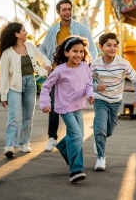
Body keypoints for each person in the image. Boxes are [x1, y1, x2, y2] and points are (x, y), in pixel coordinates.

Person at [39, 0, 97, 152]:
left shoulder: (81, 28)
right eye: (64, 10)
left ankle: (69, 141)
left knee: (75, 106)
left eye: (69, 9)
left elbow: (92, 49)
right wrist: (46, 63)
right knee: (54, 105)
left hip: (75, 72)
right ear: (58, 12)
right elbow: (42, 49)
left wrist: (87, 66)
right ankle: (52, 137)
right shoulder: (52, 30)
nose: (67, 12)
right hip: (57, 71)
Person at [39, 35, 94, 183]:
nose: (79, 55)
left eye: (81, 51)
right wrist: (44, 104)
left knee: (78, 135)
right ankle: (76, 169)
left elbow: (89, 84)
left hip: (77, 107)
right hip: (64, 108)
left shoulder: (84, 67)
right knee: (76, 136)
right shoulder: (59, 70)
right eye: (75, 51)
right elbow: (46, 87)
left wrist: (90, 95)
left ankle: (63, 147)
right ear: (66, 53)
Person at [89, 32, 136, 171]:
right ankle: (101, 157)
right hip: (100, 99)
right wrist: (95, 87)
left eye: (115, 46)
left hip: (116, 101)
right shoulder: (95, 64)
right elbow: (86, 82)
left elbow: (135, 80)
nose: (112, 48)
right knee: (100, 129)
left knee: (109, 131)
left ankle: (98, 137)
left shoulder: (122, 63)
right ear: (101, 47)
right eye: (108, 45)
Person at [0, 22, 51, 158]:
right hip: (14, 86)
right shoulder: (7, 53)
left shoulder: (31, 47)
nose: (26, 33)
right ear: (16, 34)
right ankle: (9, 145)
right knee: (13, 117)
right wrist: (3, 95)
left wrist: (47, 66)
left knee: (28, 116)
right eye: (24, 31)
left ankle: (24, 143)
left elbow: (41, 57)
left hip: (30, 84)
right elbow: (3, 76)